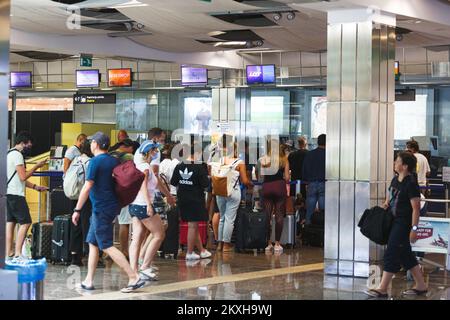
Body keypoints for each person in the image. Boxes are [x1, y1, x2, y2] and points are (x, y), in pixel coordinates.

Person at [72, 132, 145, 293]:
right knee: (93, 243)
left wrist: (77, 209)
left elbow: (87, 186)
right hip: (110, 206)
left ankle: (134, 277)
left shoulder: (95, 162)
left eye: (92, 142)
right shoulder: (114, 160)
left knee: (106, 245)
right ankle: (88, 281)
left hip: (101, 208)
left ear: (96, 144)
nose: (90, 144)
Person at [365, 152, 428, 298]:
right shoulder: (395, 179)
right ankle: (421, 285)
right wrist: (386, 204)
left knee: (392, 252)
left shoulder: (411, 183)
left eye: (397, 161)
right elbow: (390, 198)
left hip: (403, 223)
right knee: (406, 255)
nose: (394, 162)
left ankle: (382, 288)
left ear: (404, 166)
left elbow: (416, 208)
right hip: (393, 220)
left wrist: (414, 229)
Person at [128, 141, 168, 280]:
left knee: (137, 238)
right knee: (159, 234)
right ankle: (145, 267)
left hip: (134, 205)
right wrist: (149, 204)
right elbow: (143, 186)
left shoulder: (139, 165)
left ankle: (134, 270)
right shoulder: (145, 167)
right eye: (155, 150)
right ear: (150, 152)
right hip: (142, 205)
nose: (157, 152)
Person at [6, 131, 48, 260]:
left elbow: (17, 179)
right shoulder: (18, 155)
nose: (30, 146)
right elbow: (23, 176)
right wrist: (36, 166)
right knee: (26, 223)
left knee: (10, 223)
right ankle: (18, 253)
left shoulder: (8, 154)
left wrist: (35, 187)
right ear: (23, 142)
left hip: (8, 194)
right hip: (17, 195)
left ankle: (9, 252)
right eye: (29, 143)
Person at [171, 138, 212, 260]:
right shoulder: (199, 167)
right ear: (197, 154)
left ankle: (202, 250)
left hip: (183, 198)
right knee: (193, 226)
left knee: (192, 225)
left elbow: (173, 182)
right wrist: (209, 176)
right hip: (195, 199)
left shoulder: (179, 166)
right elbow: (205, 184)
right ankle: (189, 253)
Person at [214, 134, 252, 253]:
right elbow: (245, 181)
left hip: (220, 191)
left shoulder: (218, 160)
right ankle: (226, 245)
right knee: (230, 219)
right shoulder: (239, 162)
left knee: (222, 218)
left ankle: (219, 244)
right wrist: (250, 184)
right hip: (233, 192)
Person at [259, 138, 290, 253]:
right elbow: (287, 178)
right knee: (279, 216)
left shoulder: (264, 159)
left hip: (267, 187)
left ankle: (268, 243)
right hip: (279, 187)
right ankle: (277, 244)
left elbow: (261, 177)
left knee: (267, 216)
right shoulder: (284, 159)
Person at [109, 139, 135, 260]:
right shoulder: (128, 156)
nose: (133, 150)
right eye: (132, 148)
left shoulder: (109, 154)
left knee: (109, 222)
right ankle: (124, 251)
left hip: (109, 191)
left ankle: (107, 251)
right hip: (122, 192)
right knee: (124, 223)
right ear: (126, 146)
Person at [302, 134, 326, 225]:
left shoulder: (310, 154)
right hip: (324, 183)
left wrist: (306, 181)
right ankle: (322, 231)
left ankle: (308, 231)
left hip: (311, 184)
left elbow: (304, 169)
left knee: (309, 211)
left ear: (317, 142)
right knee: (323, 211)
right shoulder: (328, 155)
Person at [288, 136, 308, 201]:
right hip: (305, 180)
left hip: (294, 179)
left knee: (293, 198)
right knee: (305, 198)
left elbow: (289, 167)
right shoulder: (309, 154)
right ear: (305, 144)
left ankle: (294, 210)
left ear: (298, 144)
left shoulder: (292, 155)